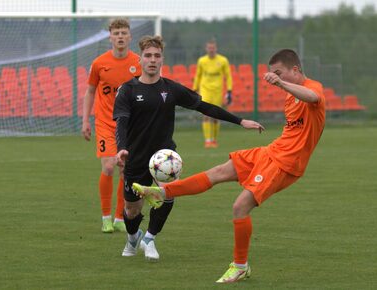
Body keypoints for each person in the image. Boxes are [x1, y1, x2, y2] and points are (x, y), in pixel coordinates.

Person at [133, 48, 325, 282]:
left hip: (286, 162)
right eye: (274, 74)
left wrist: (281, 84)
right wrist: (283, 86)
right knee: (219, 171)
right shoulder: (290, 95)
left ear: (295, 69)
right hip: (272, 151)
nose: (276, 78)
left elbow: (313, 97)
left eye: (279, 73)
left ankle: (240, 265)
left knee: (240, 207)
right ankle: (161, 191)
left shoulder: (312, 88)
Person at [113, 35, 264, 261]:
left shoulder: (171, 89)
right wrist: (122, 148)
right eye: (148, 56)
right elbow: (122, 121)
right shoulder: (128, 90)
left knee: (169, 194)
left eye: (157, 56)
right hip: (134, 156)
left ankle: (150, 239)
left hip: (165, 157)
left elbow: (204, 107)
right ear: (140, 59)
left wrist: (240, 121)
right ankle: (133, 237)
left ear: (162, 59)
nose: (152, 60)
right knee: (132, 210)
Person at [81, 18, 141, 233]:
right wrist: (85, 120)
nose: (120, 37)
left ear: (130, 36)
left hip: (129, 126)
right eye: (116, 33)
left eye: (124, 33)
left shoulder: (139, 63)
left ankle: (119, 218)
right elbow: (90, 91)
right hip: (105, 122)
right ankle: (106, 216)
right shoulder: (99, 63)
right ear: (110, 37)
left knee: (125, 169)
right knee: (108, 166)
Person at [193, 39, 233, 148]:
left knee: (216, 116)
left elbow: (228, 76)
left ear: (216, 48)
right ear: (206, 49)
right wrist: (195, 88)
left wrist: (229, 90)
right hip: (205, 90)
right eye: (209, 48)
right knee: (205, 114)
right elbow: (198, 75)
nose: (211, 50)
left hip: (217, 91)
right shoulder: (202, 61)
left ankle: (214, 140)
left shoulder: (223, 60)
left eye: (213, 48)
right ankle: (208, 140)